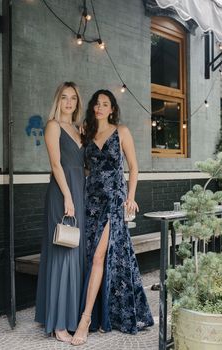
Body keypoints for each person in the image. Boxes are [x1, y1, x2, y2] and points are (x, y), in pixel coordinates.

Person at [71, 90, 154, 346]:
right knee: (94, 256)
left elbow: (134, 167)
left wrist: (130, 196)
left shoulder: (122, 132)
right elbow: (85, 169)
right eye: (96, 103)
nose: (99, 107)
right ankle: (104, 313)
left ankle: (85, 321)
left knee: (98, 256)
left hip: (113, 202)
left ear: (112, 109)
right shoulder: (86, 133)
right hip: (90, 201)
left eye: (105, 104)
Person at [35, 82, 86, 343]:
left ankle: (69, 314)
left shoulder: (79, 129)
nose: (69, 102)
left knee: (76, 253)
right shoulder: (53, 125)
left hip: (81, 193)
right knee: (62, 252)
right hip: (62, 193)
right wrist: (67, 196)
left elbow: (83, 164)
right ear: (58, 100)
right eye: (64, 97)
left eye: (73, 98)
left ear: (78, 101)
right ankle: (59, 324)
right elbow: (56, 163)